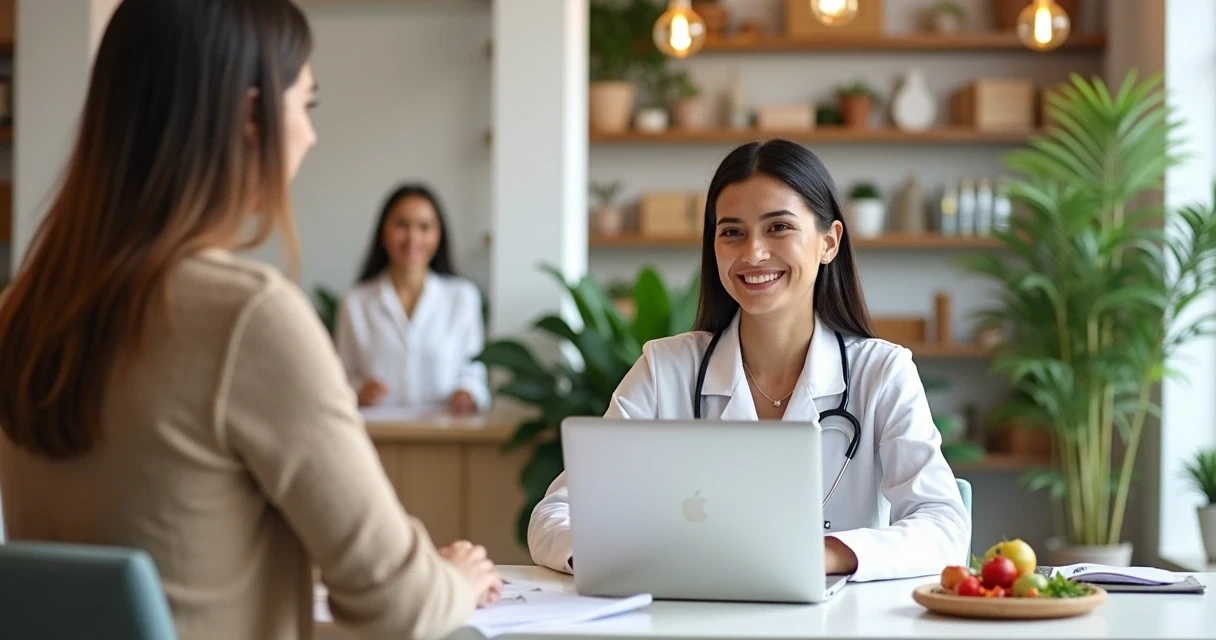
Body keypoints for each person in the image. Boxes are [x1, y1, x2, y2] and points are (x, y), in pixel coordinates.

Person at [0, 2, 499, 639]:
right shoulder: (248, 317)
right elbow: (400, 605)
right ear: (249, 118)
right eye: (306, 105)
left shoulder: (21, 313)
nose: (312, 136)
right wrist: (453, 577)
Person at [528, 139, 970, 583]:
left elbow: (944, 526)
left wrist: (826, 555)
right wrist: (616, 557)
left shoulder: (883, 372)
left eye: (778, 227)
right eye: (732, 232)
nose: (752, 253)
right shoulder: (665, 370)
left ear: (829, 242)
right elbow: (557, 514)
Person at [335, 184, 491, 414]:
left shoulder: (463, 297)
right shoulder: (355, 301)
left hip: (445, 432)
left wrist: (468, 392)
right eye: (401, 225)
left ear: (439, 235)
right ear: (383, 232)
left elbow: (474, 373)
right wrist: (359, 390)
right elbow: (341, 377)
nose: (412, 237)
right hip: (375, 435)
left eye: (425, 227)